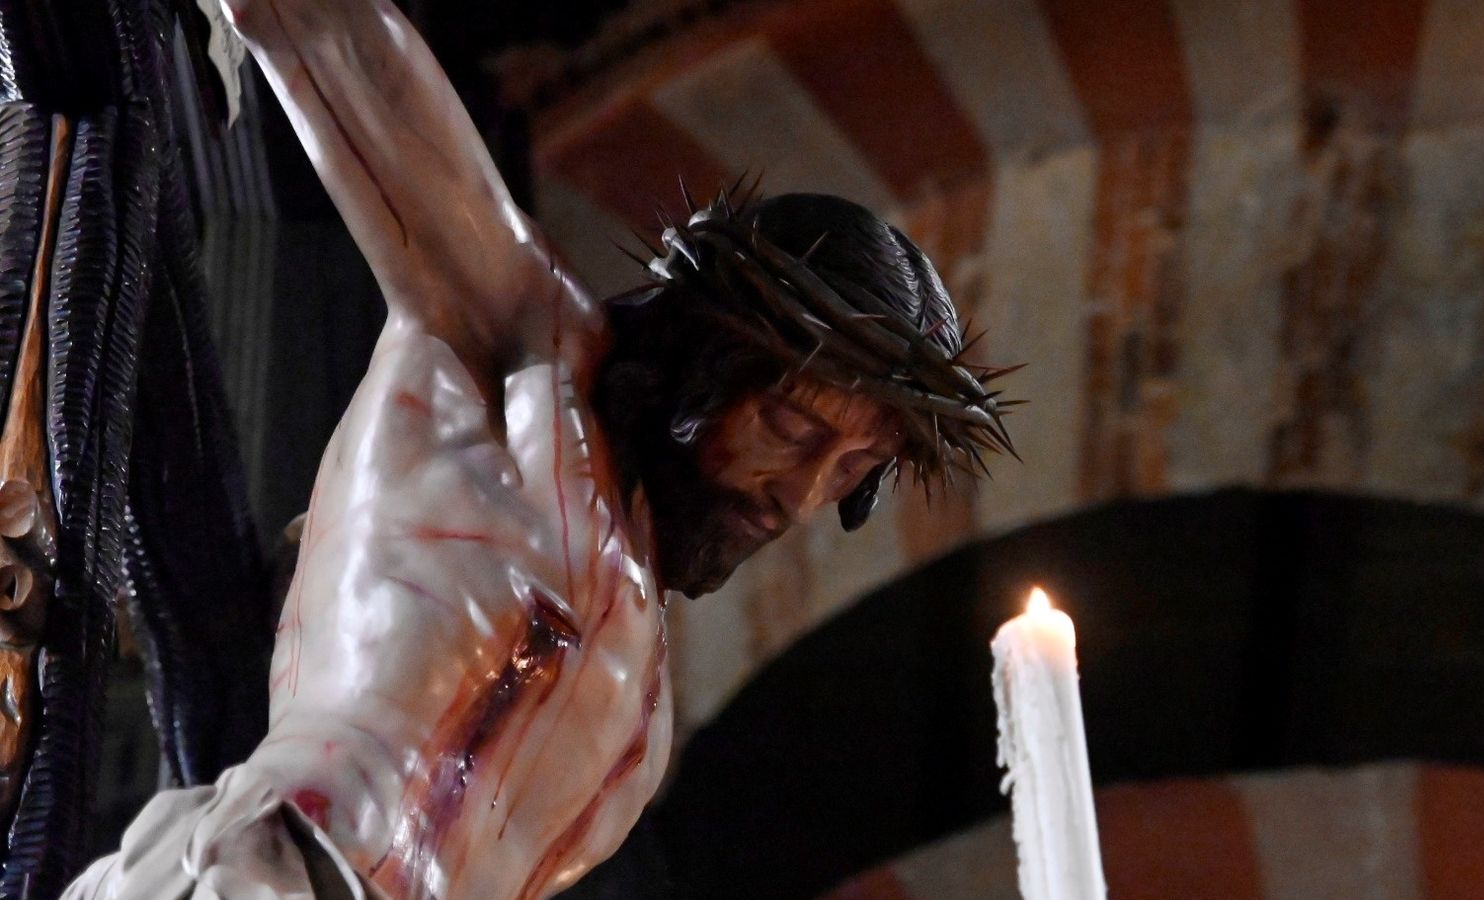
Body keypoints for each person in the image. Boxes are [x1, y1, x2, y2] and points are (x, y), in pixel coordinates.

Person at [65, 0, 1013, 898]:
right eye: (793, 430)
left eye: (849, 470)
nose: (799, 495)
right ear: (707, 359)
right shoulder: (522, 362)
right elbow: (337, 39)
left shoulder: (644, 713)